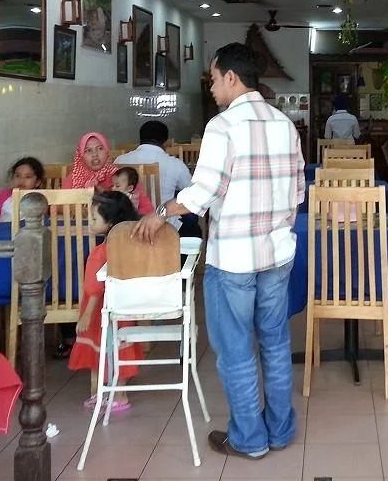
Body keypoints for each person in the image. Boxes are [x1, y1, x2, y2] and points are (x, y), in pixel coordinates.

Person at [132, 42, 305, 461]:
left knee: (236, 349)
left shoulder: (223, 126)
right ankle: (280, 430)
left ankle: (250, 438)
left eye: (213, 79)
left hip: (234, 259)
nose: (211, 88)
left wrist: (161, 212)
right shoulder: (285, 124)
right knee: (275, 343)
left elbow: (203, 192)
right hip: (277, 255)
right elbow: (298, 192)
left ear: (231, 77)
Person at [69, 191, 156, 414]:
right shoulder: (129, 247)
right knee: (118, 349)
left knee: (102, 350)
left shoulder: (100, 252)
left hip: (100, 311)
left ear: (110, 224)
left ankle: (116, 396)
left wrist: (86, 315)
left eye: (94, 218)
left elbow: (94, 288)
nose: (90, 222)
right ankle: (110, 393)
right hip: (123, 309)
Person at [115, 120, 194, 209]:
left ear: (141, 138)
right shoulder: (175, 164)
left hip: (126, 216)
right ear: (165, 142)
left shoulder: (119, 160)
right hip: (164, 216)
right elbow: (192, 192)